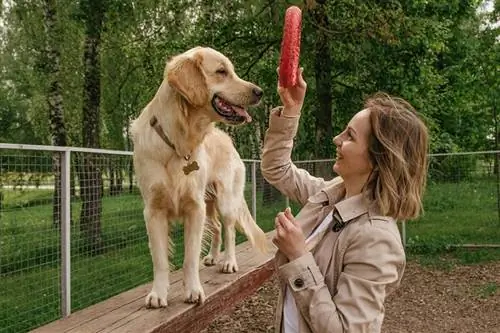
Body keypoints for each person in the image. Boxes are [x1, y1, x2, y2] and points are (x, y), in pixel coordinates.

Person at [260, 67, 429, 333]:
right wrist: (291, 111)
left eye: (350, 136)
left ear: (378, 158)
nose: (337, 139)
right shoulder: (330, 195)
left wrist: (298, 255)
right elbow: (276, 169)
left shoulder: (376, 238)